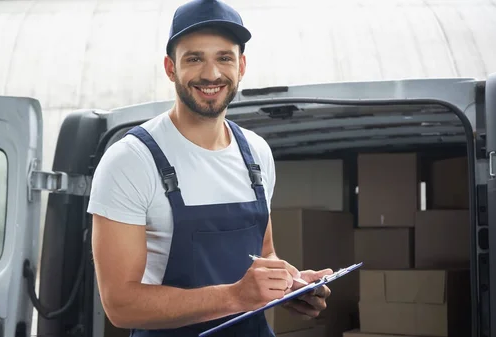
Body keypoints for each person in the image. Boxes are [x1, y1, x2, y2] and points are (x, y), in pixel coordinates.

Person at [88, 0, 333, 336]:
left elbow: (264, 255)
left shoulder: (256, 154)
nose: (211, 74)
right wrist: (235, 296)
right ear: (170, 68)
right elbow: (120, 304)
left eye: (224, 58)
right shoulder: (130, 161)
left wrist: (291, 285)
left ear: (241, 65)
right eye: (194, 58)